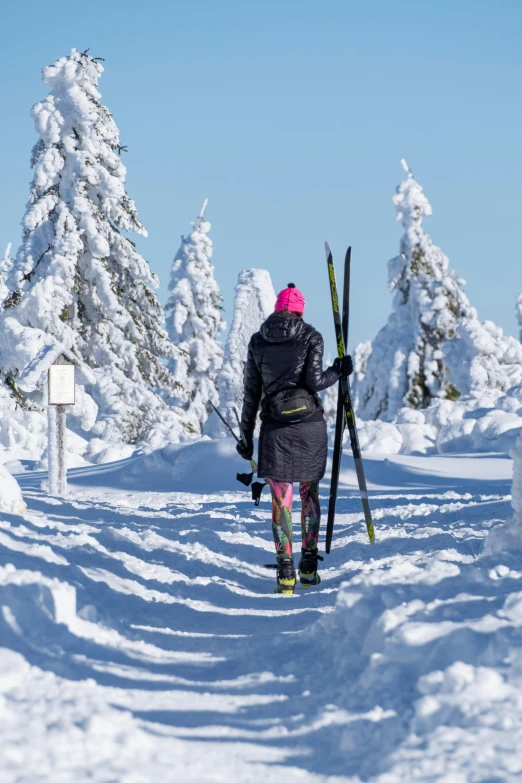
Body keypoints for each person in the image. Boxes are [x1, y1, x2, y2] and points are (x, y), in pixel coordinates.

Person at [237, 283, 353, 594]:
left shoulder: (258, 341)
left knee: (280, 502)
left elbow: (251, 395)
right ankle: (309, 567)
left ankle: (285, 573)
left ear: (276, 309)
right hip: (309, 426)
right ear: (299, 311)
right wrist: (338, 371)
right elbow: (315, 382)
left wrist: (245, 436)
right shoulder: (311, 336)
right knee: (309, 496)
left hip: (275, 428)